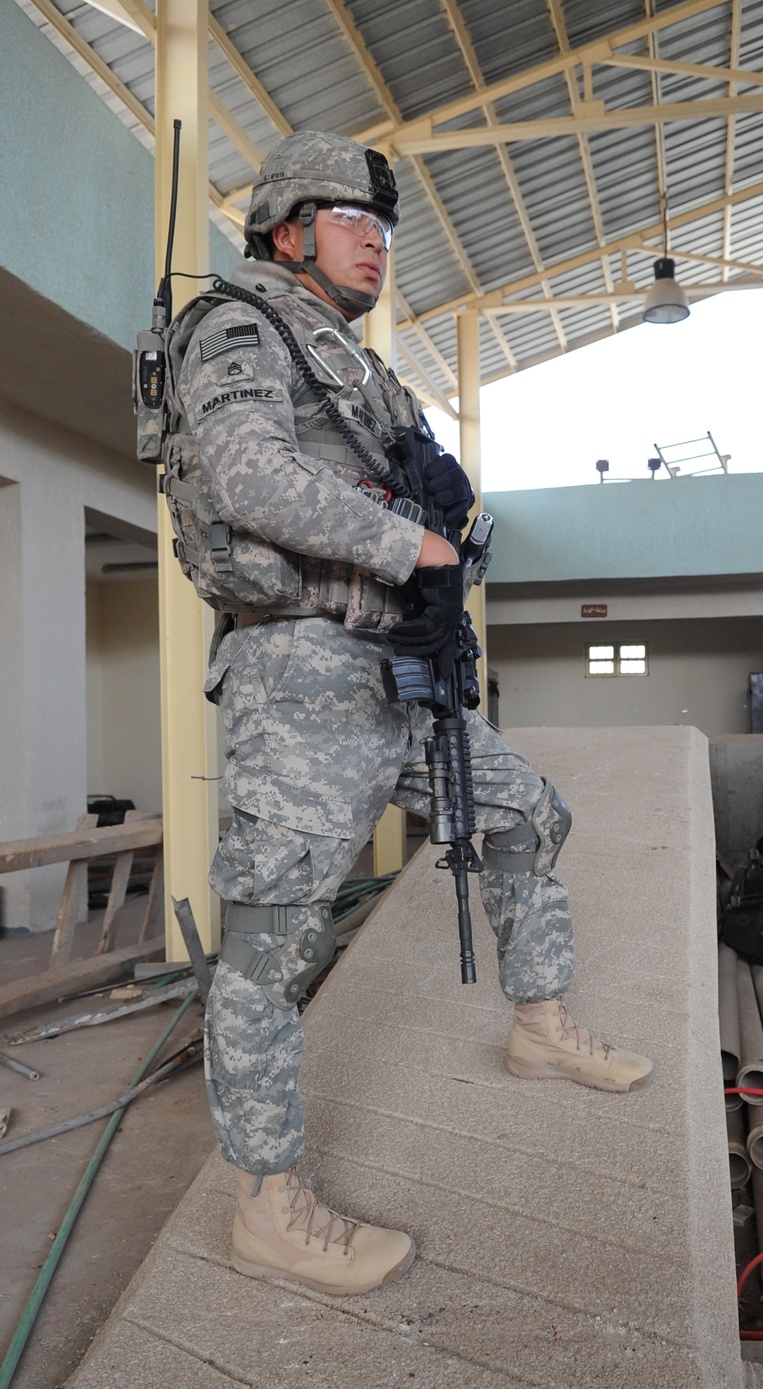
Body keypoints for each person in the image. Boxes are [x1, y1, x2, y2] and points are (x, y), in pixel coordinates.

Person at [161, 131, 653, 1300]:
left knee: (527, 814)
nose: (376, 242)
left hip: (401, 673)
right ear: (289, 231)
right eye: (351, 221)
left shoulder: (356, 361)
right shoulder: (237, 326)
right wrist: (407, 542)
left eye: (384, 226)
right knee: (275, 943)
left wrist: (442, 548)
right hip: (303, 678)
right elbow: (245, 478)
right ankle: (267, 1205)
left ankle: (538, 1024)